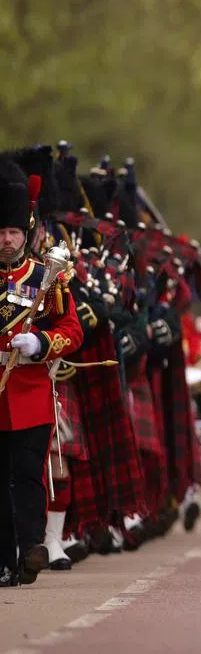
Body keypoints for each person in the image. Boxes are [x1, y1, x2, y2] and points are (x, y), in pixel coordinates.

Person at [0, 155, 83, 586]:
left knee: (28, 474)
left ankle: (31, 548)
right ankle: (3, 559)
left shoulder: (44, 277)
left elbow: (72, 329)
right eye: (0, 232)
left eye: (13, 231)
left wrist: (41, 343)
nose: (7, 240)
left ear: (25, 232)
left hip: (31, 391)